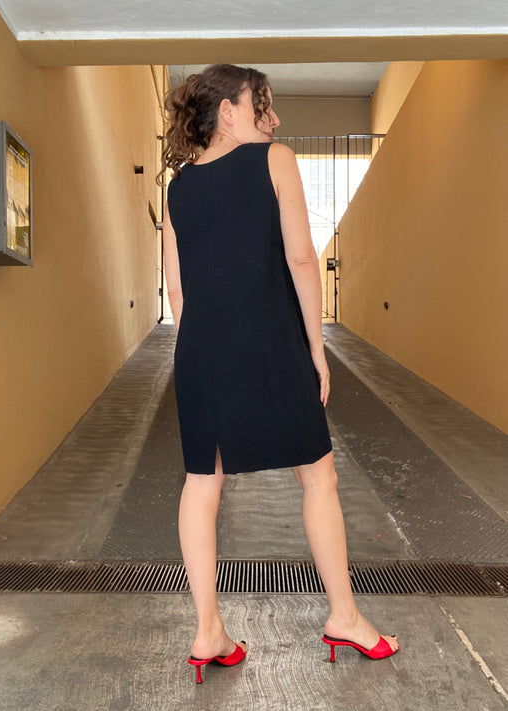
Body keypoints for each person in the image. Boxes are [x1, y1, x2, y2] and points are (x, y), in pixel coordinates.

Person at [158, 64, 399, 684]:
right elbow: (300, 258)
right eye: (262, 105)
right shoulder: (277, 160)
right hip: (272, 340)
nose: (275, 118)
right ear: (228, 112)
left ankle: (208, 630)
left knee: (201, 483)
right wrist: (315, 347)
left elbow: (178, 293)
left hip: (201, 350)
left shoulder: (178, 189)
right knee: (318, 476)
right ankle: (344, 616)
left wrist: (204, 354)